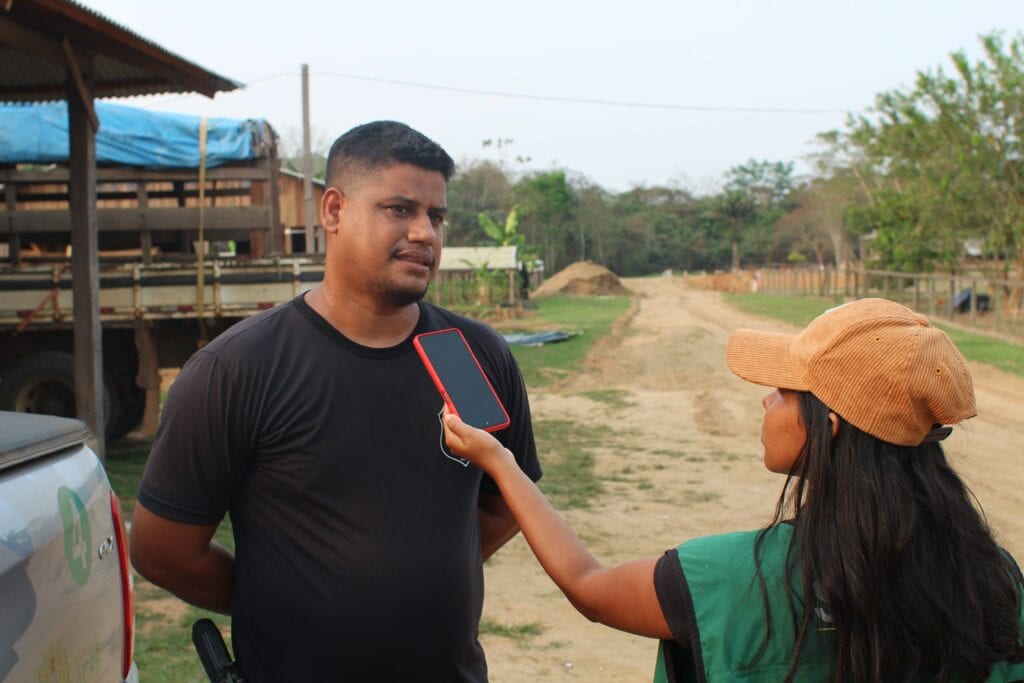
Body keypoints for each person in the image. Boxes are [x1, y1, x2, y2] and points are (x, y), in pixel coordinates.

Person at [130, 121, 541, 681]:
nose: (425, 233)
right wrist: (282, 599)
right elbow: (163, 552)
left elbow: (504, 502)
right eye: (399, 209)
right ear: (333, 210)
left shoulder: (466, 356)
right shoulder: (241, 369)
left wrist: (415, 581)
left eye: (436, 216)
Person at [442, 298, 1024, 682]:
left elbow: (589, 587)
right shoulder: (996, 579)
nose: (767, 400)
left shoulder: (725, 579)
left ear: (833, 422)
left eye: (785, 389)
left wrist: (500, 461)